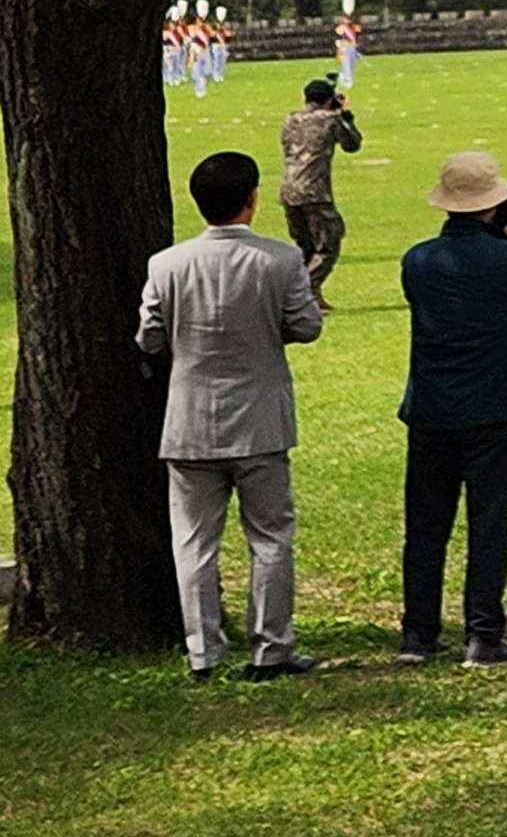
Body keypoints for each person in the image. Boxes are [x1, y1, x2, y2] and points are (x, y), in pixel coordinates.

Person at [137, 147, 327, 678]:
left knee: (194, 543)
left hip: (190, 420)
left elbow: (149, 337)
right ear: (251, 199)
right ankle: (271, 647)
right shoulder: (280, 259)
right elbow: (307, 325)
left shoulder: (167, 264)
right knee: (270, 538)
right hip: (260, 419)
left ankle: (203, 651)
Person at [398, 147, 507, 664]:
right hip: (493, 406)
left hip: (432, 406)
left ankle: (418, 631)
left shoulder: (418, 260)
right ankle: (484, 633)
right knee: (488, 522)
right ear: (495, 204)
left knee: (426, 525)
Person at [279, 79, 362, 302]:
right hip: (315, 192)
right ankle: (303, 293)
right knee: (328, 244)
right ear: (329, 100)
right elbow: (352, 144)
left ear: (305, 98)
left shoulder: (290, 119)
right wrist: (346, 116)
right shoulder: (330, 120)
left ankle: (311, 296)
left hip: (289, 191)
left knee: (305, 246)